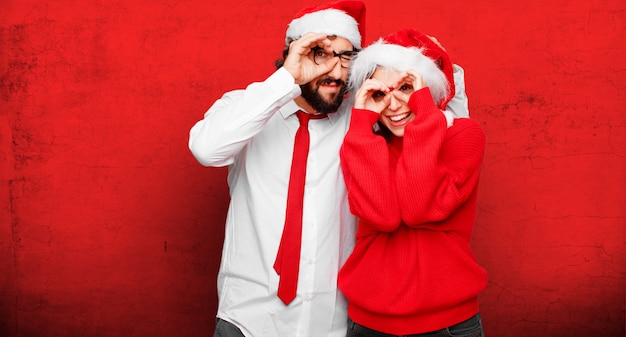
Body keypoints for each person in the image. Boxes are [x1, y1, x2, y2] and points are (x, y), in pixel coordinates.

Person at [188, 0, 469, 333]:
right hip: (247, 320)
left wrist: (437, 65)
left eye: (346, 56)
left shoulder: (365, 116)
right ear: (292, 53)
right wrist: (287, 79)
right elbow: (206, 150)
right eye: (319, 53)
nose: (334, 72)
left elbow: (437, 131)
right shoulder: (249, 106)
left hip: (334, 321)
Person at [338, 29, 488, 337]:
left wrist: (423, 116)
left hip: (449, 324)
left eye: (406, 88)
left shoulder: (463, 135)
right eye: (380, 94)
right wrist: (362, 126)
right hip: (368, 324)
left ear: (428, 90)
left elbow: (418, 208)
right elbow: (385, 217)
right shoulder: (363, 144)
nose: (393, 105)